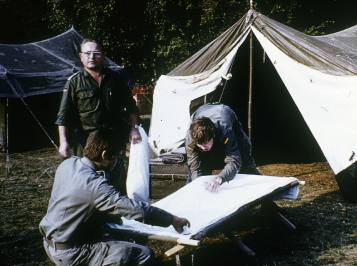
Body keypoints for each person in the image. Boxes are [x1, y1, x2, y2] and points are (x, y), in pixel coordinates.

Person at [39, 128, 190, 265]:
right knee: (143, 254)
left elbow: (74, 203)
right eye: (117, 156)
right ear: (105, 155)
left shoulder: (68, 164)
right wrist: (172, 219)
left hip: (50, 243)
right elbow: (138, 211)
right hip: (72, 253)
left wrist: (104, 216)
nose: (117, 161)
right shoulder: (96, 186)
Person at [55, 38, 141, 194]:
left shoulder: (117, 79)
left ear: (103, 55)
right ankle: (93, 216)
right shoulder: (74, 83)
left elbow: (131, 107)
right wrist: (64, 142)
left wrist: (134, 128)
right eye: (87, 53)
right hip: (87, 141)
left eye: (96, 53)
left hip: (115, 138)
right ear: (81, 56)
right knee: (88, 183)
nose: (91, 57)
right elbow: (64, 115)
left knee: (118, 181)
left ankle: (118, 216)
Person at [185, 103, 261, 192]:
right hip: (202, 111)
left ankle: (266, 199)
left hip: (225, 113)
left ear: (213, 135)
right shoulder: (190, 138)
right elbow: (195, 166)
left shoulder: (225, 131)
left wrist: (219, 179)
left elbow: (234, 161)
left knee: (245, 162)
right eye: (200, 145)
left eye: (206, 143)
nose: (203, 147)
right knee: (194, 177)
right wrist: (198, 184)